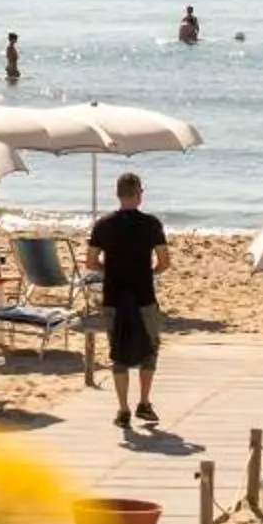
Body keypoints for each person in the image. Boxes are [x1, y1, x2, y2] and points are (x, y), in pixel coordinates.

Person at [88, 170, 173, 429]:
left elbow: (91, 262)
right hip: (143, 295)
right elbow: (164, 262)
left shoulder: (103, 225)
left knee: (119, 353)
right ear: (138, 195)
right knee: (150, 349)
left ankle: (123, 409)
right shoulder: (151, 224)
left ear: (118, 195)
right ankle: (144, 403)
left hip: (114, 296)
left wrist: (110, 271)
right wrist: (149, 273)